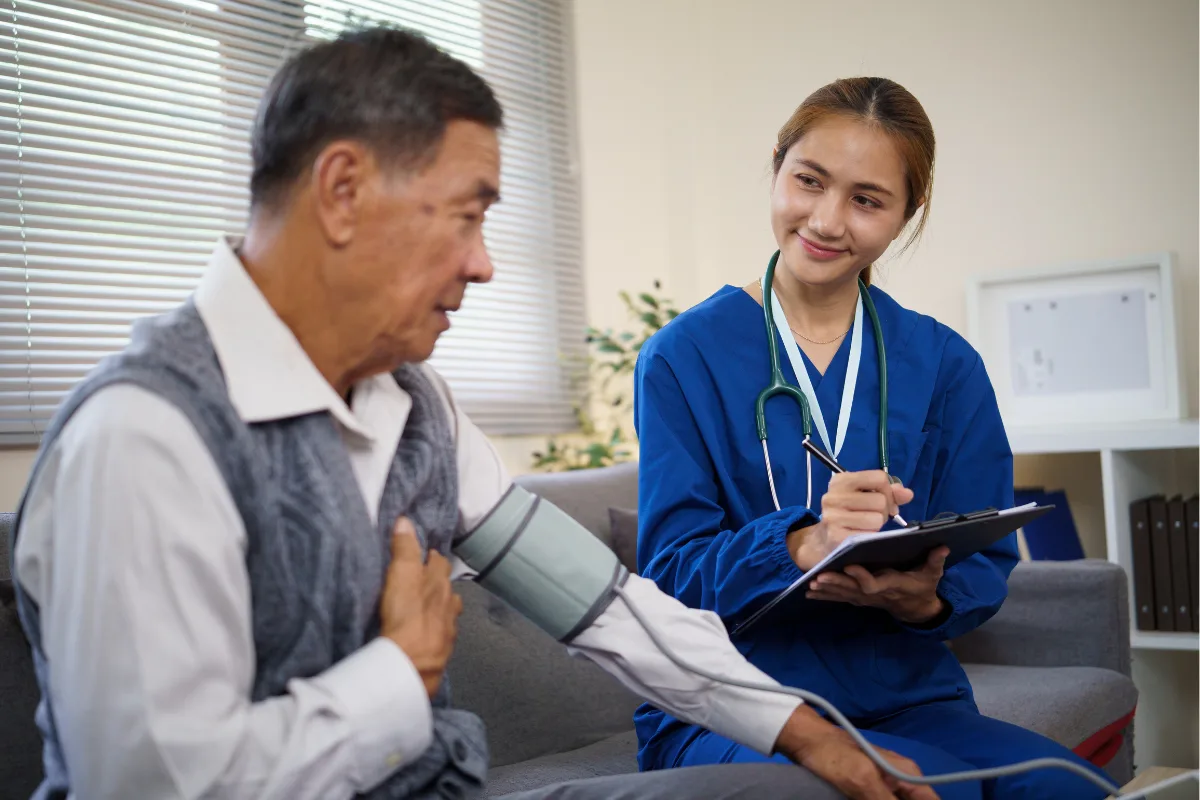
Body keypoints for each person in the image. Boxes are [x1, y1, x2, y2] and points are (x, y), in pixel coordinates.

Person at [7, 28, 942, 800]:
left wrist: (808, 732)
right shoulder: (144, 438)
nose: (486, 263)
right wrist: (395, 678)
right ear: (342, 191)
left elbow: (610, 609)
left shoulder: (415, 407)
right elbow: (148, 786)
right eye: (467, 214)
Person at [631, 77, 1115, 800]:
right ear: (777, 168)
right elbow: (670, 574)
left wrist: (921, 599)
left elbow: (983, 565)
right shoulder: (681, 356)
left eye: (866, 199)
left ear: (905, 213)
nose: (827, 220)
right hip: (737, 706)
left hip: (908, 698)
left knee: (1067, 788)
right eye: (809, 181)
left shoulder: (944, 363)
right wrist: (800, 544)